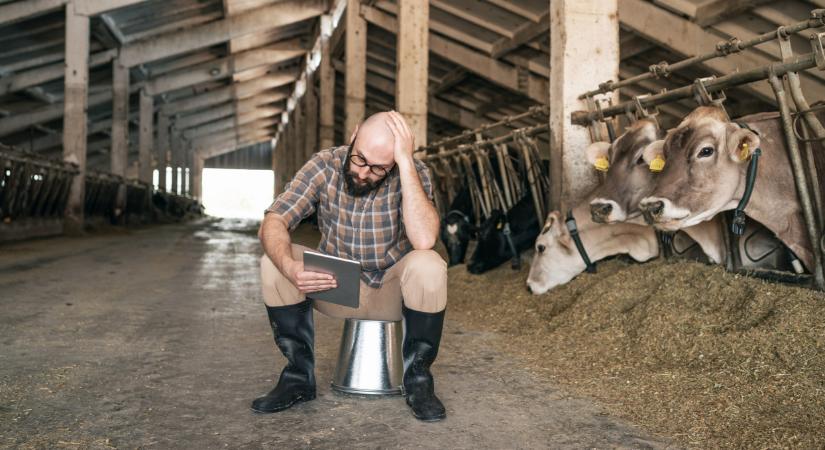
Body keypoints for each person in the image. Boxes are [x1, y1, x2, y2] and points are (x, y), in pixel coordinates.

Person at [253, 111, 448, 422]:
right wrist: (290, 268)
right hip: (336, 284)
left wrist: (407, 163)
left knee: (429, 264)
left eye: (379, 168)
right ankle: (298, 378)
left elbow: (424, 238)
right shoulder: (323, 165)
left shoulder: (412, 172)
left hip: (391, 289)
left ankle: (418, 383)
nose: (363, 173)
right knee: (273, 262)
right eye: (360, 159)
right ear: (354, 134)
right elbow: (274, 220)